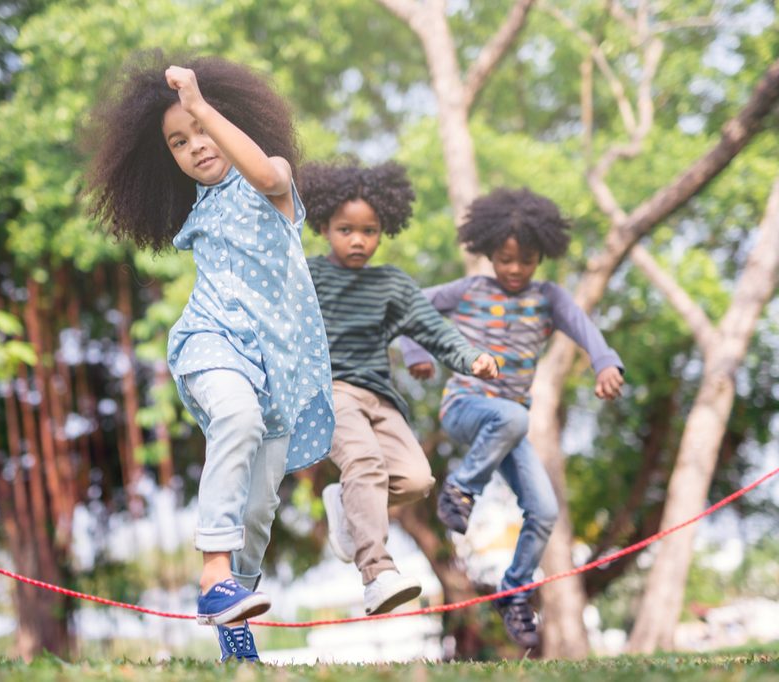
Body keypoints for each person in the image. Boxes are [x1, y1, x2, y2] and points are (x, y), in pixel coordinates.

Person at [85, 53, 334, 662]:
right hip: (211, 344)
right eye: (178, 141)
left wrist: (200, 107)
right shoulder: (201, 210)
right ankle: (213, 572)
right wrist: (193, 111)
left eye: (203, 130)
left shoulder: (272, 184)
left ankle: (234, 623)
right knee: (238, 419)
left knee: (260, 506)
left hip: (279, 370)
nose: (195, 145)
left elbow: (268, 174)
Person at [400, 187, 625, 648]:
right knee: (512, 416)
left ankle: (515, 590)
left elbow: (585, 329)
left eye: (526, 260)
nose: (516, 269)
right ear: (488, 253)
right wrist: (415, 350)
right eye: (505, 259)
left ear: (542, 255)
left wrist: (605, 362)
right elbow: (409, 307)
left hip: (508, 427)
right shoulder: (469, 290)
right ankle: (461, 489)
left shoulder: (549, 298)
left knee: (544, 511)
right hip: (465, 407)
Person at [299, 161, 499, 616]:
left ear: (382, 231)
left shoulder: (391, 284)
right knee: (365, 462)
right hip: (330, 391)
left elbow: (433, 329)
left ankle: (347, 502)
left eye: (369, 231)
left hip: (380, 397)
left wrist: (472, 359)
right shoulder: (307, 275)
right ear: (325, 226)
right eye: (345, 229)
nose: (357, 240)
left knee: (416, 479)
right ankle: (377, 572)